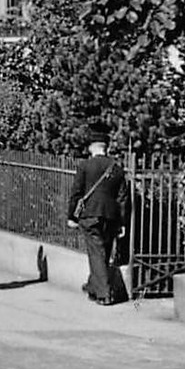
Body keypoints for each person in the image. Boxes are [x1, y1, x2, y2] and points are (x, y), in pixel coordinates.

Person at [66, 121, 131, 305]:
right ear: (106, 147)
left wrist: (71, 216)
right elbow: (123, 198)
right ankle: (93, 288)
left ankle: (104, 294)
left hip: (90, 215)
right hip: (111, 217)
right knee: (103, 253)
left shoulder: (85, 166)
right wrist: (122, 223)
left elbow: (76, 193)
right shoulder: (117, 169)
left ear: (91, 147)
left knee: (96, 254)